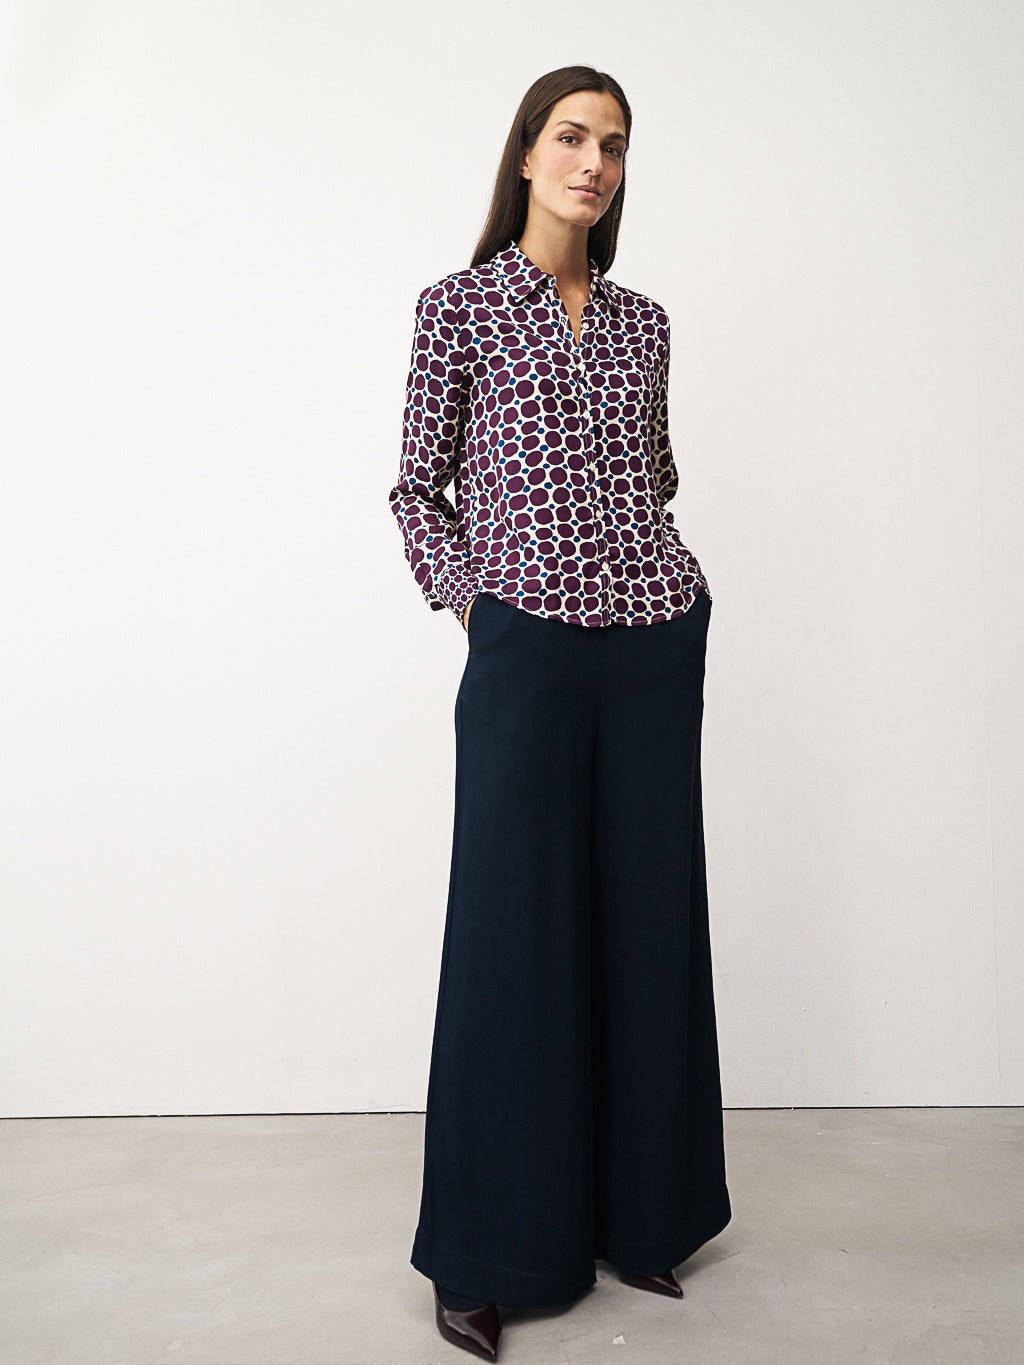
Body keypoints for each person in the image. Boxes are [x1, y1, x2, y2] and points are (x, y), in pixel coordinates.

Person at [387, 64, 732, 1361]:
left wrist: (670, 586)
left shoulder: (644, 325)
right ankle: (489, 1249)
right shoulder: (460, 308)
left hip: (650, 644)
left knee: (647, 924)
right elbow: (416, 488)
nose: (595, 164)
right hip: (526, 644)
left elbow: (654, 474)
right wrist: (476, 602)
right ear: (527, 154)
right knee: (511, 934)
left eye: (616, 146)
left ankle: (643, 1216)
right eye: (574, 138)